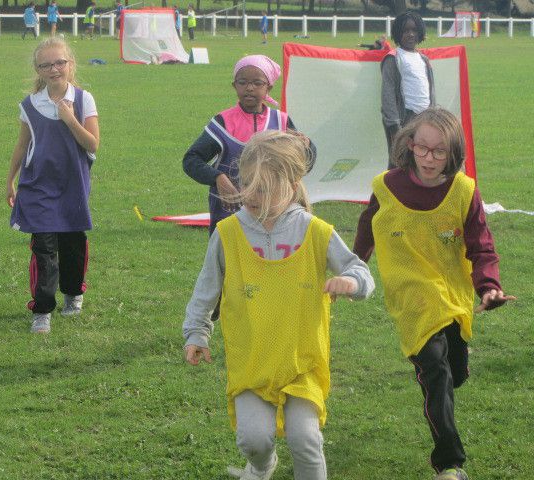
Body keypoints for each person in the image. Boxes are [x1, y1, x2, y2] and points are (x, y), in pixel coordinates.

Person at [184, 130, 374, 480]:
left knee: (305, 440)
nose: (251, 196)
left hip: (302, 362)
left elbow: (358, 268)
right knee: (254, 438)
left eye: (264, 189)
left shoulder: (315, 231)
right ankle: (261, 465)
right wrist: (196, 333)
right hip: (252, 362)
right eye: (248, 185)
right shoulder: (228, 233)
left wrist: (352, 282)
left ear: (292, 182)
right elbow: (206, 288)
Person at [353, 107, 515, 480]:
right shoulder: (385, 186)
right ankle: (450, 464)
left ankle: (453, 360)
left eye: (439, 151)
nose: (428, 158)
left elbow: (481, 245)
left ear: (454, 152)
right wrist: (356, 266)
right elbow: (367, 227)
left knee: (454, 374)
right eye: (422, 148)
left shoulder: (464, 191)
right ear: (409, 145)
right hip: (410, 296)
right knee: (437, 373)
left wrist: (489, 286)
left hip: (452, 295)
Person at [6, 37, 100, 334]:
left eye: (59, 62)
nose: (54, 69)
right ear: (38, 69)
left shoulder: (84, 99)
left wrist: (70, 118)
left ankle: (73, 293)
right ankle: (42, 311)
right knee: (44, 248)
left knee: (72, 246)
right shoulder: (29, 105)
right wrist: (10, 181)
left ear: (70, 64)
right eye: (46, 64)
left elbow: (92, 143)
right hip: (37, 187)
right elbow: (22, 146)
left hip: (72, 187)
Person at [183, 54, 317, 236]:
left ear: (268, 87)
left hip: (274, 213)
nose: (249, 88)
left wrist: (307, 146)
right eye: (243, 82)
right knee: (229, 260)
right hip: (228, 213)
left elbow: (303, 162)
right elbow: (191, 160)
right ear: (234, 85)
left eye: (257, 83)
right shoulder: (223, 122)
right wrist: (217, 177)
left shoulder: (281, 122)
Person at [382, 11, 435, 168]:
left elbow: (431, 90)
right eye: (405, 31)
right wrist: (394, 126)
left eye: (414, 30)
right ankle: (390, 192)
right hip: (403, 119)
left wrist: (433, 116)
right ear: (398, 33)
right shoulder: (393, 58)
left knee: (422, 160)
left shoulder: (423, 59)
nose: (410, 34)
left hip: (425, 117)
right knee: (399, 163)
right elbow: (388, 93)